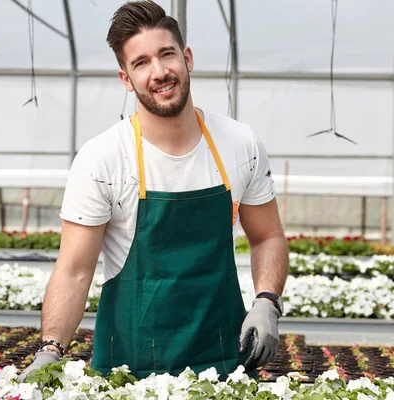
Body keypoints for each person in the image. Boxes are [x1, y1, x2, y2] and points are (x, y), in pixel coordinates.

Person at [19, 0, 289, 382]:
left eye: (167, 55)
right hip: (128, 371)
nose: (159, 72)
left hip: (225, 363)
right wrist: (51, 349)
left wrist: (267, 301)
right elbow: (75, 270)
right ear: (126, 79)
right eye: (141, 63)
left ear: (188, 58)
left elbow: (268, 235)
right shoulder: (104, 158)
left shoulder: (240, 144)